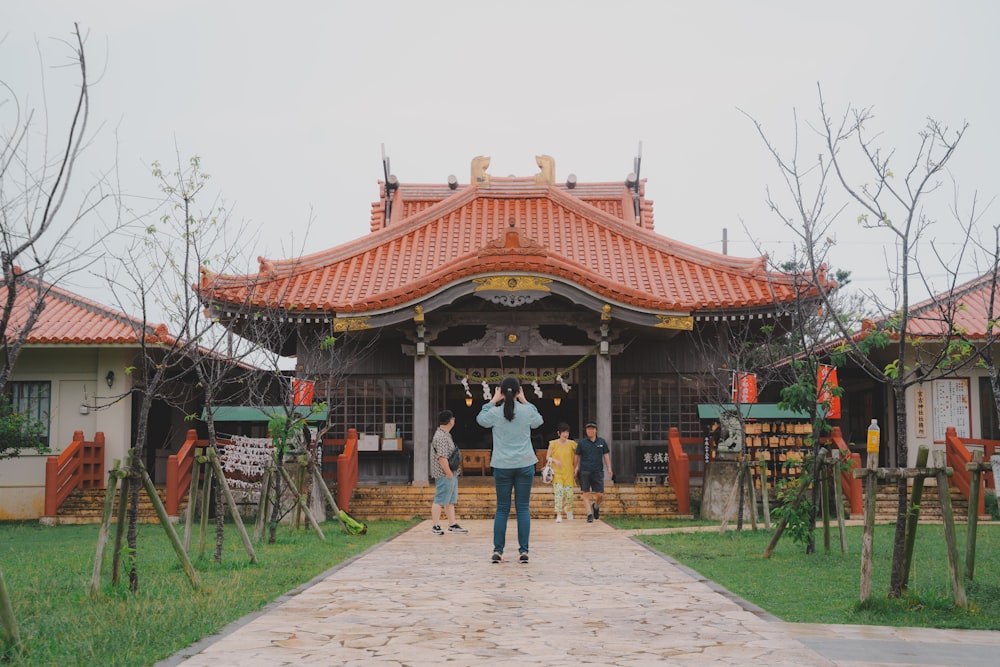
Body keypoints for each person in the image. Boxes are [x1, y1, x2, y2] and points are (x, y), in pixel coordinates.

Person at [477, 376, 543, 563]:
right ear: (518, 391)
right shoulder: (526, 410)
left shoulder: (495, 413)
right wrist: (525, 400)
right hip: (525, 463)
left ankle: (498, 551)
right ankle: (523, 551)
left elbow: (481, 420)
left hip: (502, 465)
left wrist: (492, 400)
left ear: (501, 391)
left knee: (502, 509)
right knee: (522, 508)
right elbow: (538, 421)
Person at [430, 409, 467, 535]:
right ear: (450, 421)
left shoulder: (445, 434)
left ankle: (452, 524)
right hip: (444, 473)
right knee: (440, 499)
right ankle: (435, 525)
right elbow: (442, 457)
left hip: (450, 472)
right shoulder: (440, 436)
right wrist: (448, 472)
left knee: (450, 500)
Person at [575, 420, 612, 523]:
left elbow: (606, 455)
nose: (590, 431)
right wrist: (576, 467)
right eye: (588, 429)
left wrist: (609, 468)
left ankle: (595, 506)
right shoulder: (582, 443)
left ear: (596, 430)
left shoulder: (601, 442)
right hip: (585, 471)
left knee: (600, 494)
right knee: (586, 493)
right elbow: (577, 456)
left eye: (592, 429)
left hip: (598, 471)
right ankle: (589, 514)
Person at [546, 422, 577, 522]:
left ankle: (568, 509)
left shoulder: (572, 444)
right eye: (563, 432)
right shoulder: (553, 443)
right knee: (558, 495)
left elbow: (578, 456)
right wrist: (555, 460)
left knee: (569, 495)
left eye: (567, 432)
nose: (565, 434)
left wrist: (576, 468)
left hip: (569, 473)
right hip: (557, 474)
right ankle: (558, 514)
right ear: (558, 433)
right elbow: (547, 457)